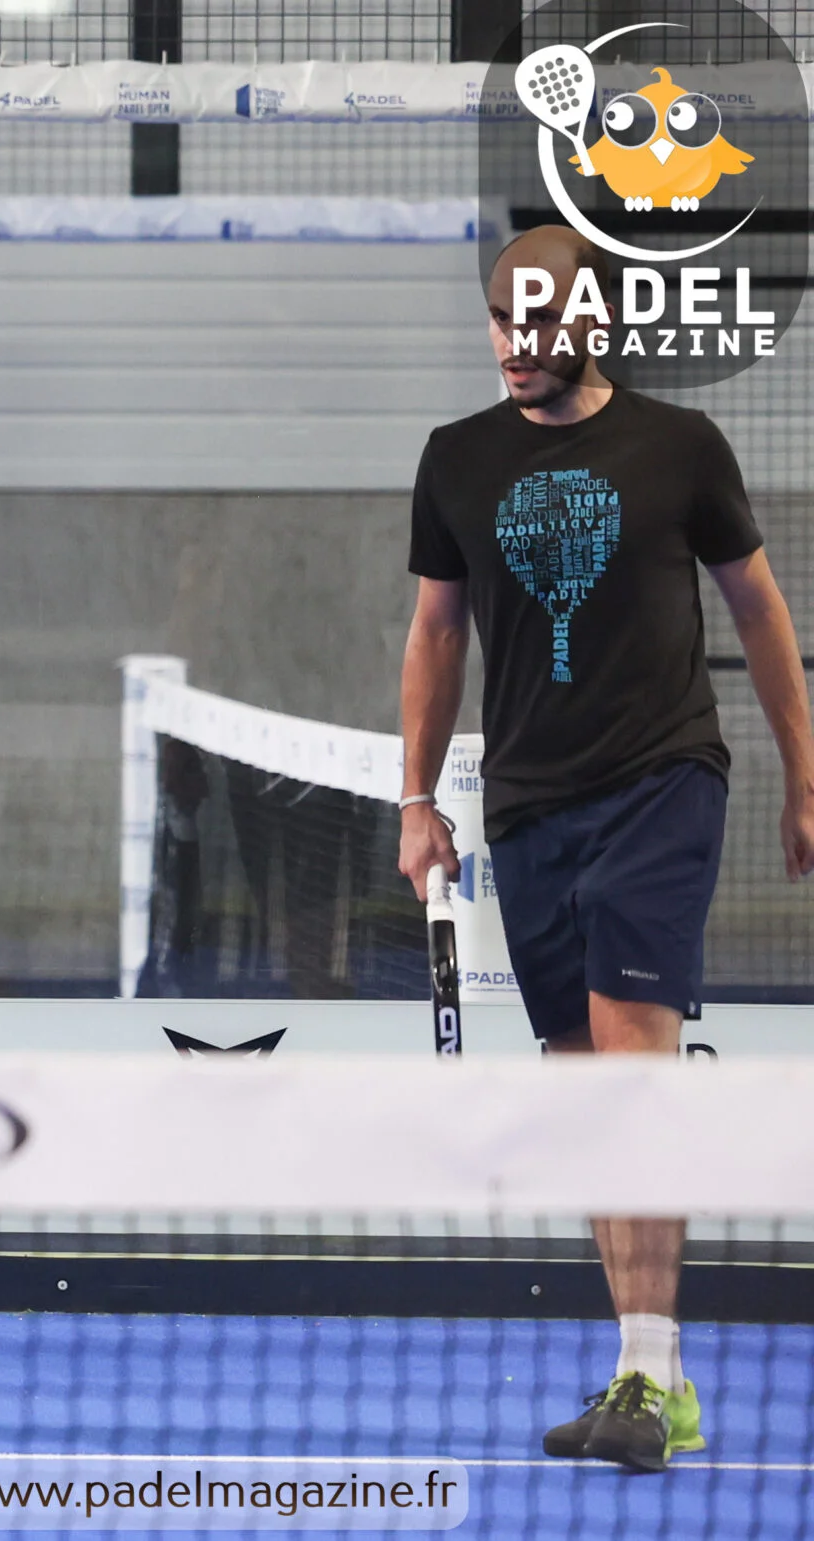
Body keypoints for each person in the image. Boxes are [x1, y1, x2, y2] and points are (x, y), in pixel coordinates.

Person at [398, 224, 814, 1472]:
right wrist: (414, 798)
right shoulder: (454, 460)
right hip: (527, 807)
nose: (517, 342)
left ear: (591, 325)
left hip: (660, 779)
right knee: (583, 1084)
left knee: (632, 1062)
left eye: (539, 320)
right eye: (500, 320)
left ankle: (646, 1365)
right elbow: (433, 637)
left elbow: (759, 607)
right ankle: (650, 1371)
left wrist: (805, 773)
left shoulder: (679, 446)